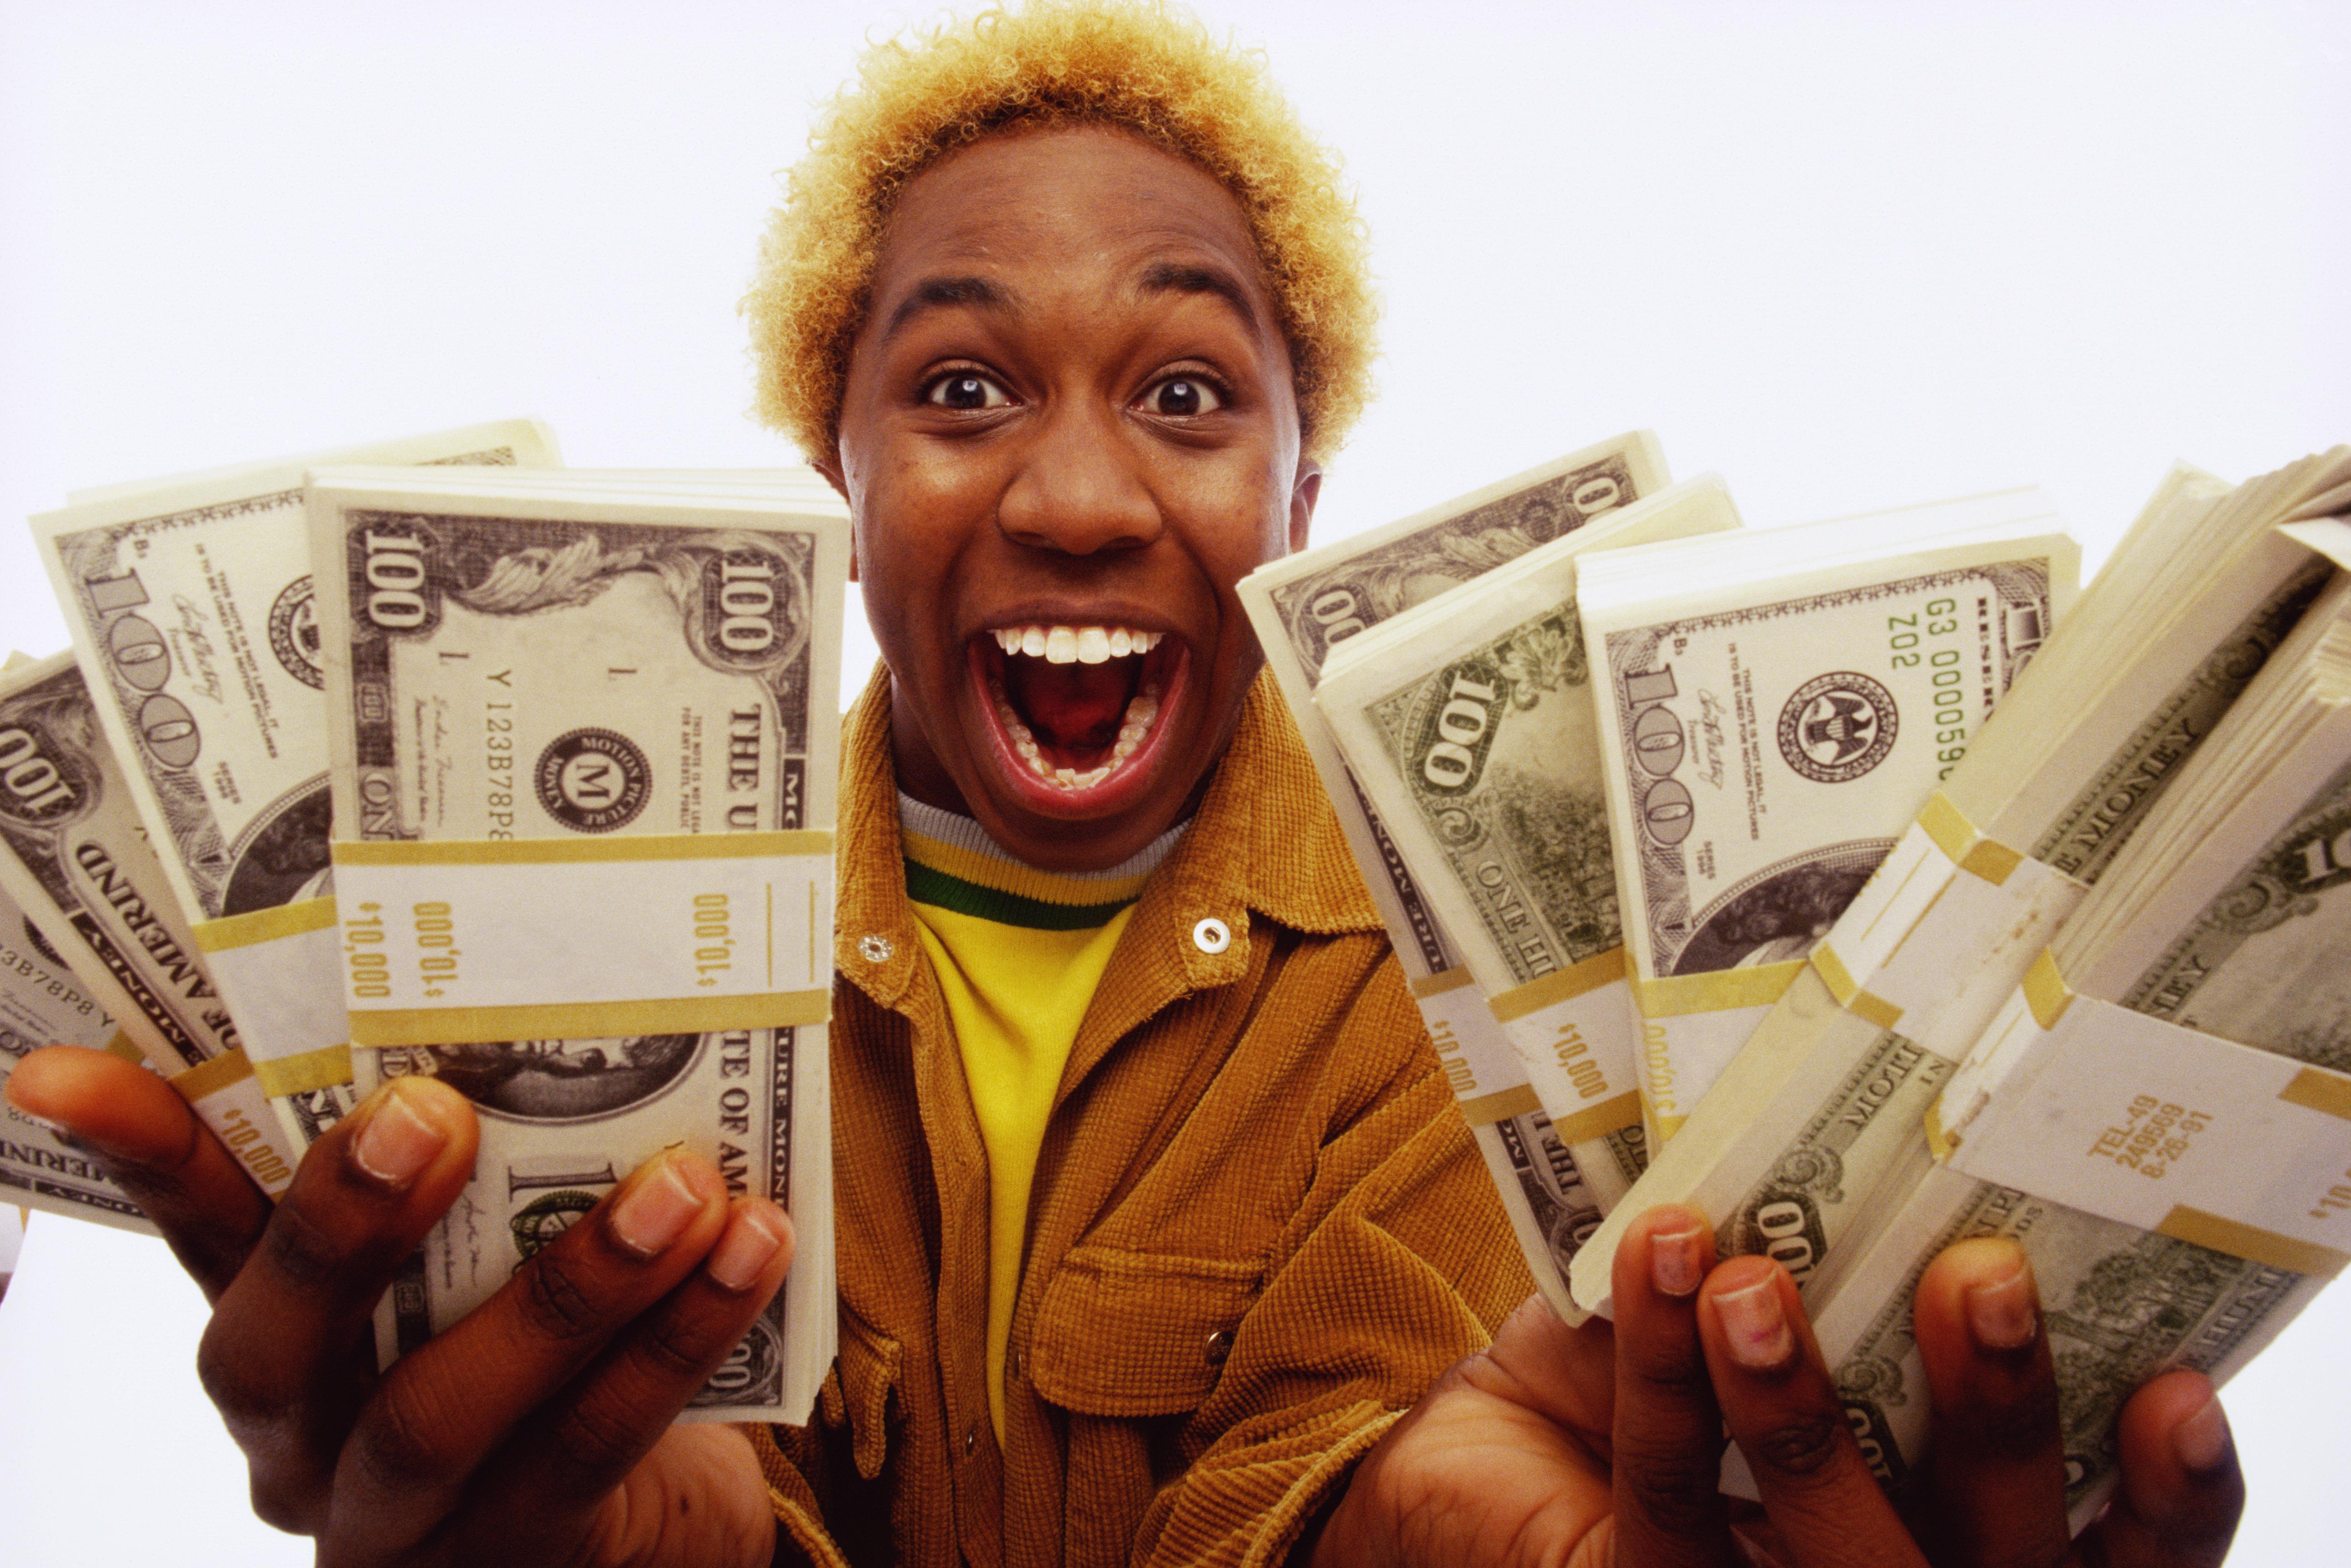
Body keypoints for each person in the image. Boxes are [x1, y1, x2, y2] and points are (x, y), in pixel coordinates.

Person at [5, 4, 2247, 1565]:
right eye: (962, 384)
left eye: (1185, 390)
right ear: (839, 477)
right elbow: (707, 1510)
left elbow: (1377, 1471)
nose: (1076, 496)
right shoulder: (587, 927)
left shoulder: (1476, 982)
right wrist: (568, 1519)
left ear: (1300, 479)